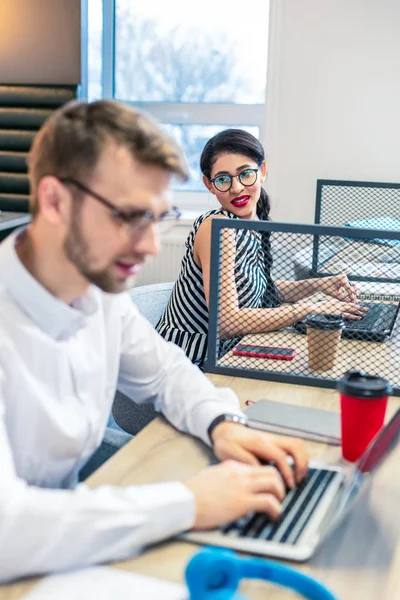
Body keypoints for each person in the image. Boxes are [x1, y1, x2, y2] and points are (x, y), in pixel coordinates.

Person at [0, 101, 309, 582]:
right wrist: (189, 502)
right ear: (56, 201)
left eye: (157, 217)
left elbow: (167, 372)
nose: (148, 247)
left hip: (67, 552)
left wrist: (225, 425)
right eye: (129, 216)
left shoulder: (98, 293)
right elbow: (8, 529)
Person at [156, 129, 366, 369]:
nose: (236, 188)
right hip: (190, 364)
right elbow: (227, 323)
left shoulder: (254, 225)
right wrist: (309, 308)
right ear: (209, 184)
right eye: (223, 179)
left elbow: (259, 291)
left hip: (227, 355)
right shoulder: (217, 226)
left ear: (262, 172)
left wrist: (319, 285)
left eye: (245, 174)